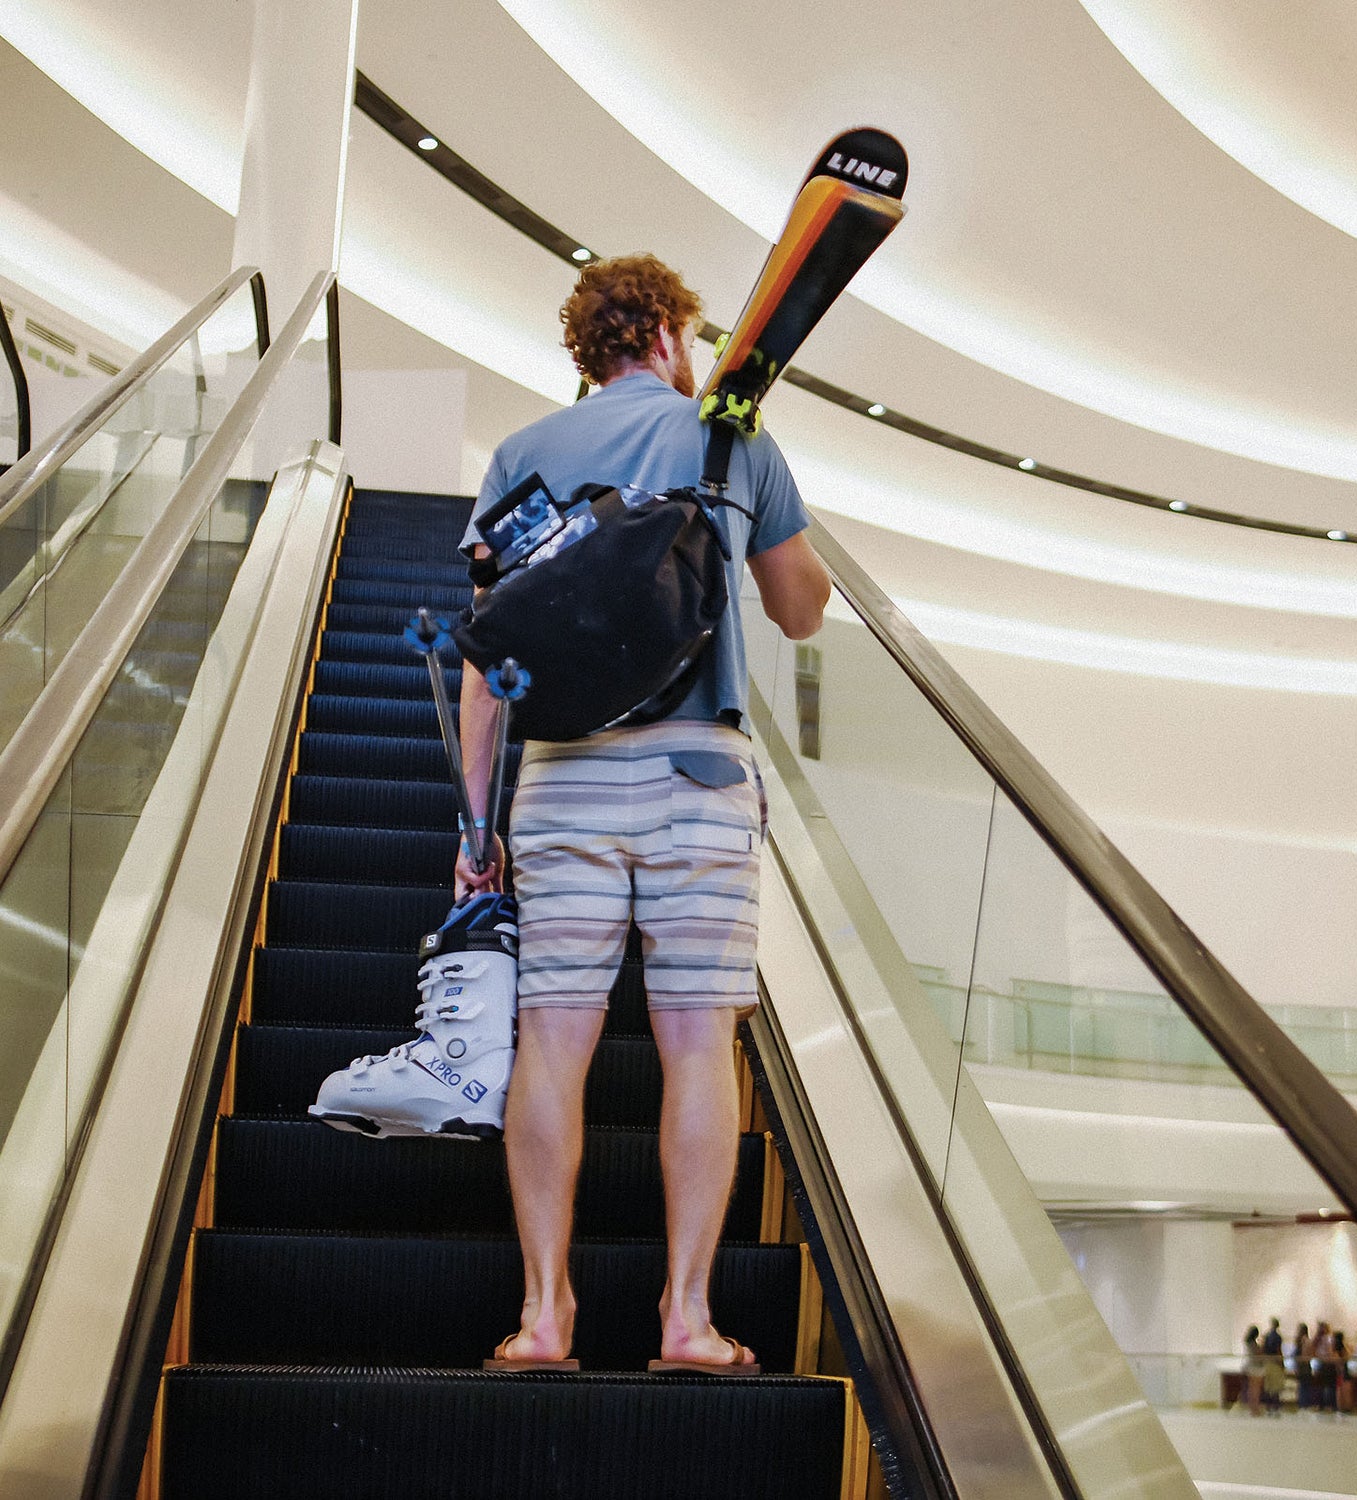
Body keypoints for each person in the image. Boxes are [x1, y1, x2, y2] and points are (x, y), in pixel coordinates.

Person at [455, 254, 830, 1372]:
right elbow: (801, 610)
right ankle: (686, 1319)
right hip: (698, 779)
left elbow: (486, 664)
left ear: (588, 350)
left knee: (553, 1043)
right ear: (669, 334)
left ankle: (542, 1317)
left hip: (563, 776)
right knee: (695, 1043)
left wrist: (477, 829)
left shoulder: (524, 456)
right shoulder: (733, 437)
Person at [1261, 1316, 1285, 1413]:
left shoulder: (1267, 1335)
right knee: (1276, 1386)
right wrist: (1282, 1363)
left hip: (1267, 1362)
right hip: (1275, 1362)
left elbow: (1263, 1349)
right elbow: (1278, 1350)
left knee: (1268, 1385)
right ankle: (1275, 1405)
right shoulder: (1278, 1337)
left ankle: (1268, 1406)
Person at [1241, 1325, 1264, 1415]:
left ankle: (1252, 1407)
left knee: (1251, 1389)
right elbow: (1258, 1354)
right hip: (1256, 1367)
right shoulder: (1253, 1344)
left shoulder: (1247, 1343)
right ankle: (1255, 1408)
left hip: (1250, 1366)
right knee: (1256, 1389)